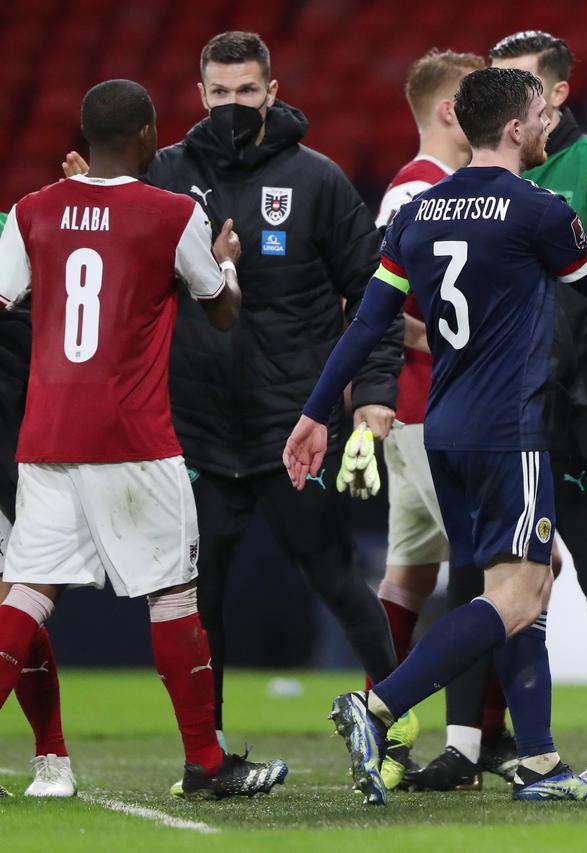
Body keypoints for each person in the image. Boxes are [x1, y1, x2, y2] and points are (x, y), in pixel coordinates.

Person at [285, 67, 587, 805]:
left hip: (445, 431)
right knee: (520, 593)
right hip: (510, 430)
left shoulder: (419, 213)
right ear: (516, 129)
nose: (551, 116)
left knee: (508, 585)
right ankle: (378, 704)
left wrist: (312, 414)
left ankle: (541, 761)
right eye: (541, 110)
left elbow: (366, 324)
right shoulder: (539, 210)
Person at [63, 31, 411, 766]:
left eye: (246, 91)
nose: (231, 105)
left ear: (272, 91)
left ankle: (394, 721)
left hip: (297, 425)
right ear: (199, 94)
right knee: (199, 591)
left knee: (335, 575)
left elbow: (377, 295)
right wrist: (89, 194)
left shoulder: (317, 180)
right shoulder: (160, 176)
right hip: (195, 429)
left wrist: (375, 392)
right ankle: (209, 745)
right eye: (219, 93)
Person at [410, 29, 587, 792]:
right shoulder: (480, 179)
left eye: (521, 81)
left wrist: (555, 245)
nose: (506, 94)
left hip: (586, 411)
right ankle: (466, 745)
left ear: (556, 94)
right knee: (480, 584)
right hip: (507, 414)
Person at [0, 79, 286, 799]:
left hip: (46, 435)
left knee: (26, 593)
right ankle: (206, 762)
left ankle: (199, 762)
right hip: (132, 435)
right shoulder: (171, 212)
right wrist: (225, 261)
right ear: (148, 134)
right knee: (173, 595)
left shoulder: (31, 210)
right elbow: (219, 312)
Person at [365, 48, 488, 793]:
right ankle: (482, 736)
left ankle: (382, 736)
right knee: (522, 571)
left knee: (407, 576)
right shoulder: (421, 189)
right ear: (450, 111)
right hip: (430, 415)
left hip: (419, 412)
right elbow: (377, 303)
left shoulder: (431, 186)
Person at [0, 210, 74, 799]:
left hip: (19, 444)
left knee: (16, 600)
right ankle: (53, 758)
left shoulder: (15, 228)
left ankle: (53, 758)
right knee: (17, 604)